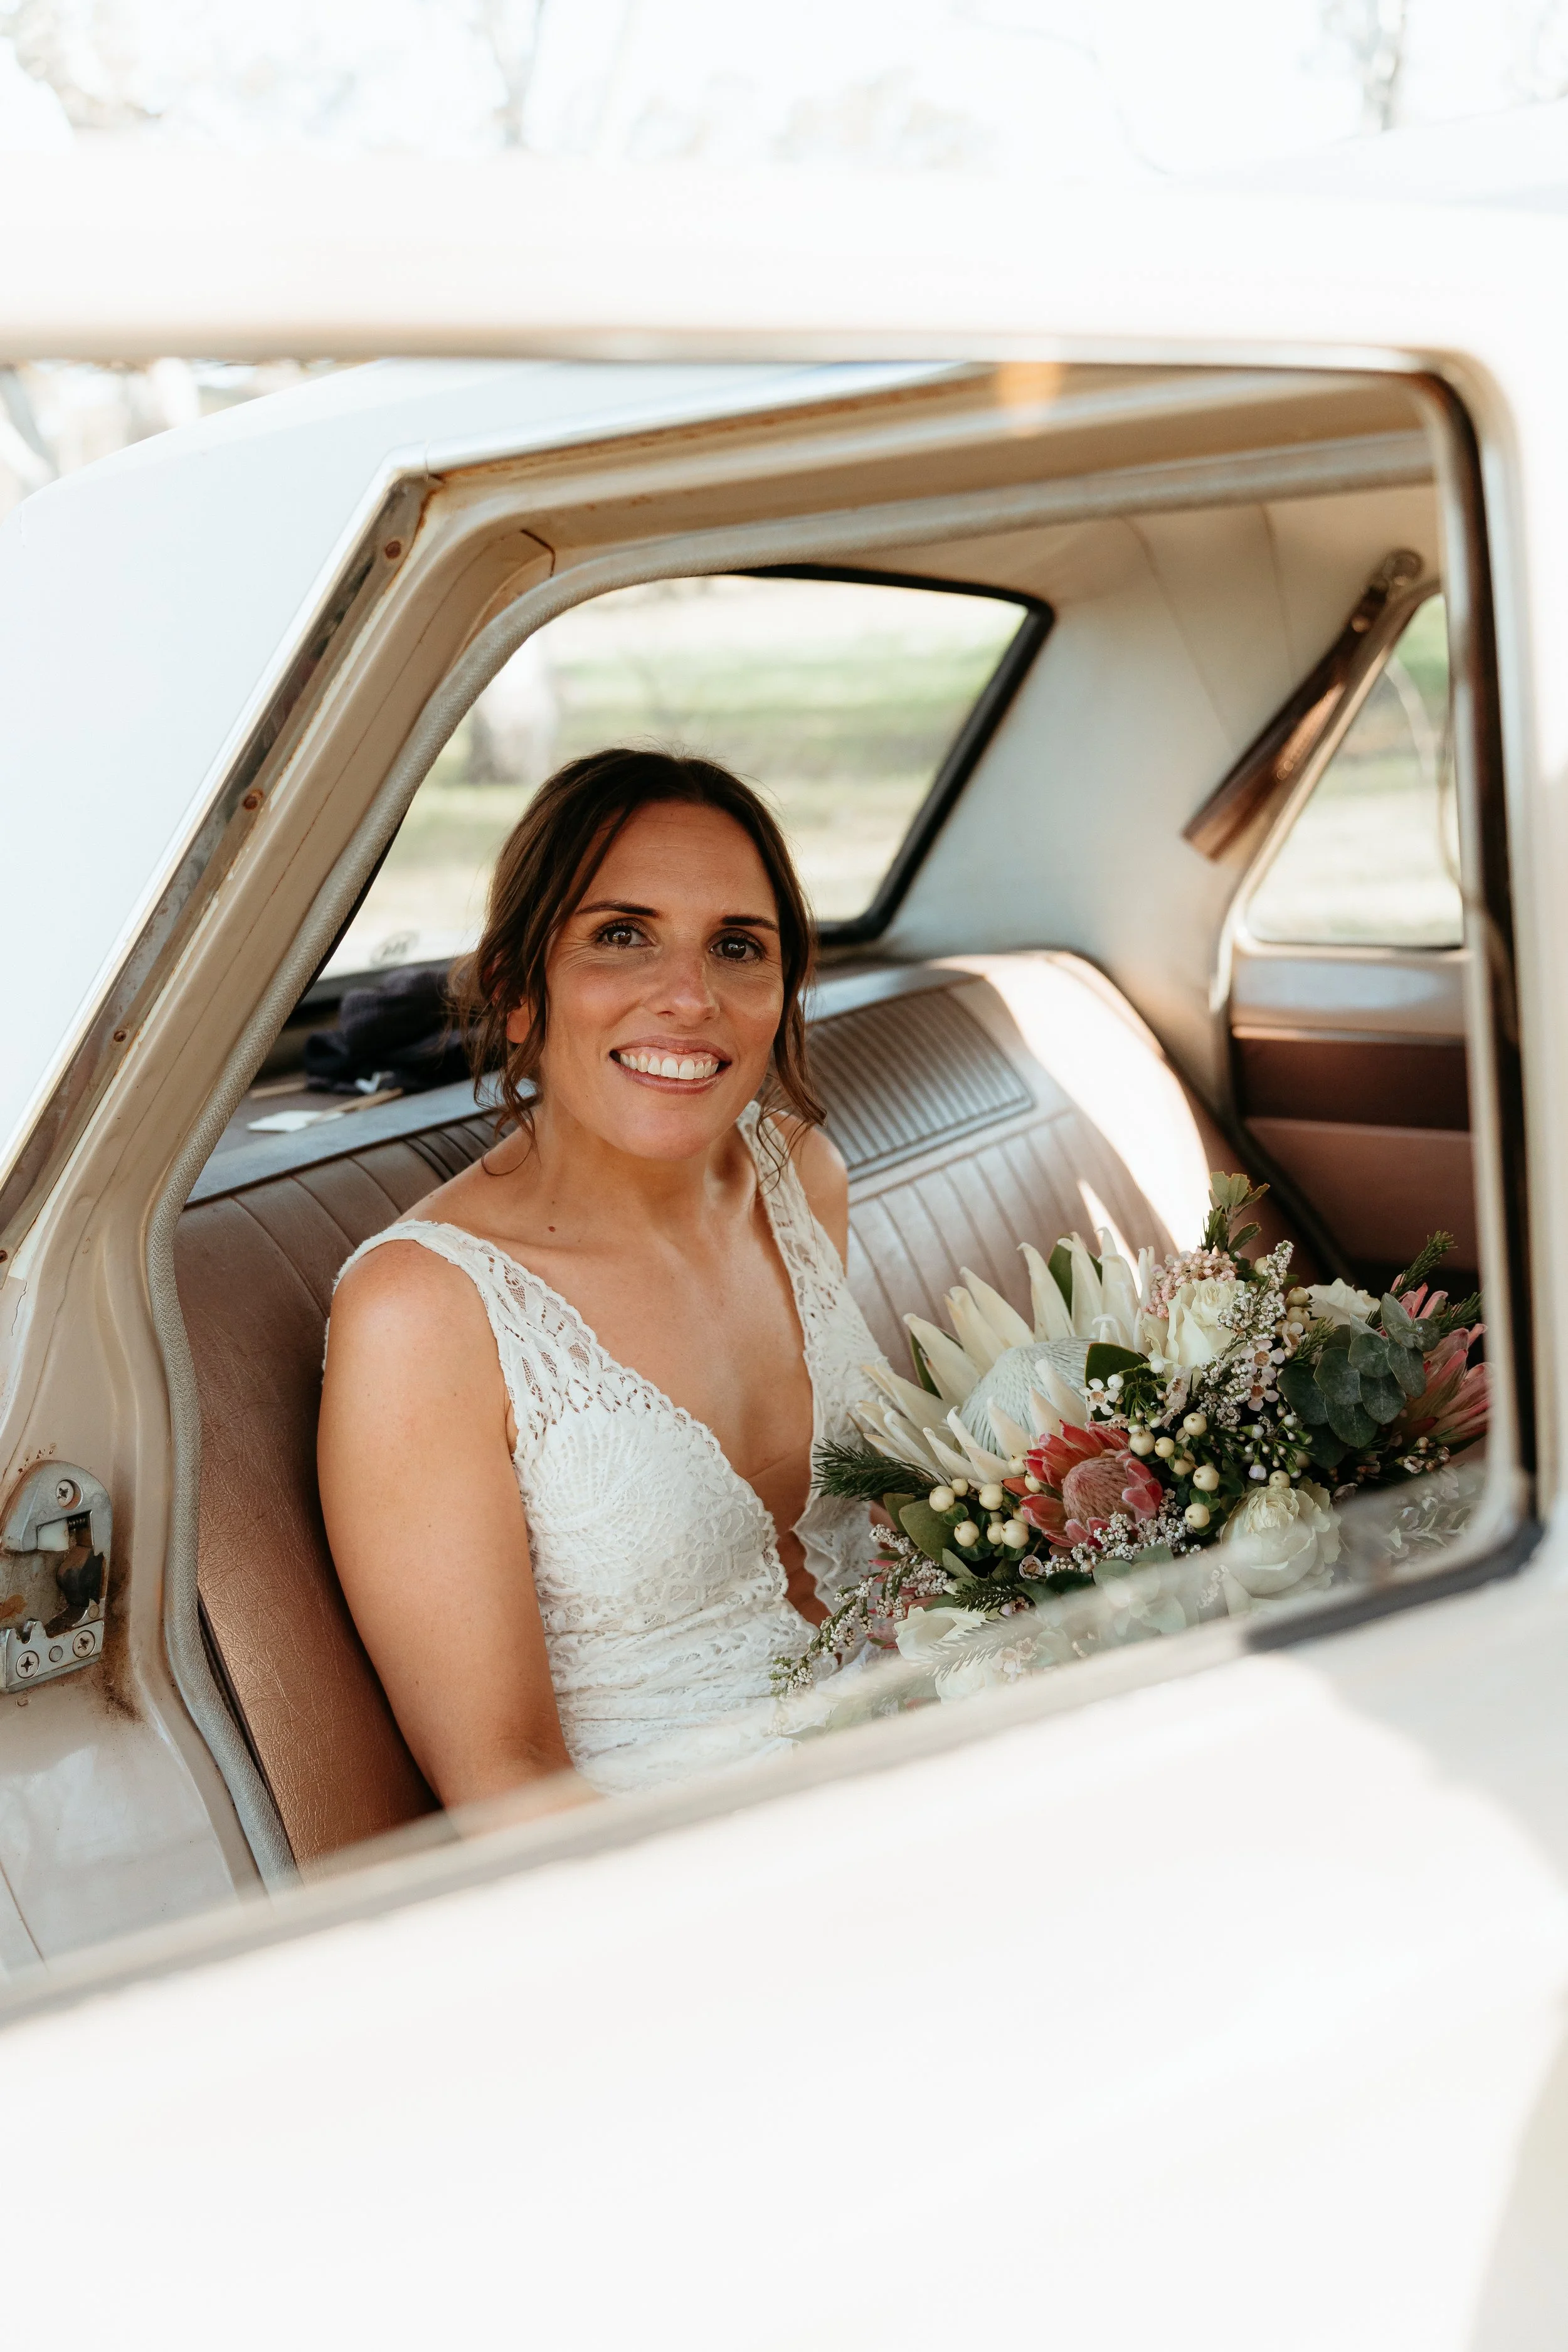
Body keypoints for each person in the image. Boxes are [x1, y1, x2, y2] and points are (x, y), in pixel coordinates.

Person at [318, 746, 890, 1805]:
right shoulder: (425, 1310)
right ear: (517, 991)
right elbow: (505, 1777)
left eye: (737, 946)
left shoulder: (803, 1175)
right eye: (622, 936)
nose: (689, 996)